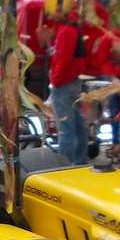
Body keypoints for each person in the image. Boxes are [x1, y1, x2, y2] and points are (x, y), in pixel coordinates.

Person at [43, 11, 89, 165]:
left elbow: (63, 60)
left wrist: (55, 82)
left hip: (64, 83)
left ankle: (63, 165)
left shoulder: (66, 31)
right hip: (71, 81)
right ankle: (79, 160)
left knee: (65, 128)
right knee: (76, 125)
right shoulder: (71, 29)